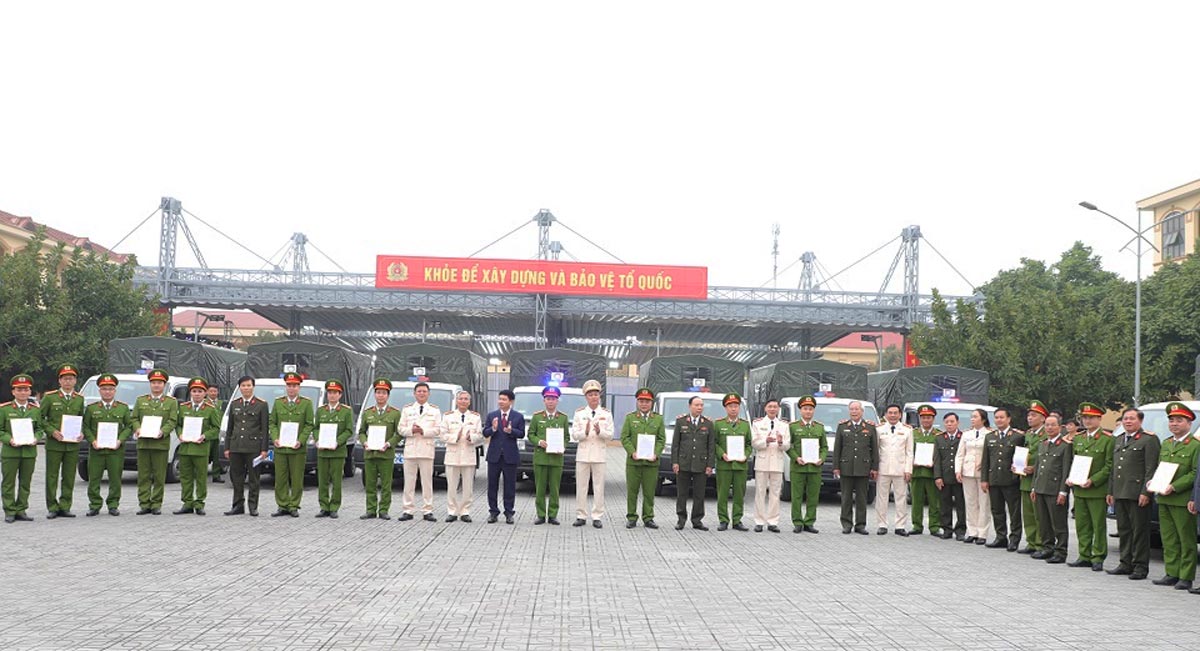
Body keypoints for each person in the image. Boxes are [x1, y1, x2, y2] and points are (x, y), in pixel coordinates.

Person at [1106, 408, 1159, 580]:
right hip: (1120, 492)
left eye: (1132, 419)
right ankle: (1125, 562)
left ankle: (1140, 566)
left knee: (1139, 531)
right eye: (1125, 419)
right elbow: (1115, 468)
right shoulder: (1120, 439)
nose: (1128, 421)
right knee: (1124, 530)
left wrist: (1146, 492)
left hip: (1137, 493)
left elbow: (1151, 469)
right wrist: (1111, 491)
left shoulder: (1149, 440)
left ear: (1140, 421)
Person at [1157, 403, 1199, 591]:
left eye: (1179, 421)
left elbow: (1195, 473)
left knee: (1186, 539)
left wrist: (1174, 486)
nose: (1174, 424)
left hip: (1182, 499)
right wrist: (1154, 482)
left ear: (1189, 424)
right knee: (1168, 538)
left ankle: (1186, 576)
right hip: (1164, 498)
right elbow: (1161, 468)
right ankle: (1171, 572)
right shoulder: (1166, 443)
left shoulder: (1195, 446)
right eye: (1171, 420)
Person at [1067, 402, 1113, 571]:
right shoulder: (1078, 438)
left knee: (1098, 525)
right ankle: (1084, 554)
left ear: (1099, 419)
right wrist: (1072, 478)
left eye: (1091, 418)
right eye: (1084, 418)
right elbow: (1075, 462)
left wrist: (1093, 480)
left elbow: (1109, 466)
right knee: (1082, 524)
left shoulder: (1108, 439)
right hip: (1079, 489)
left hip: (1096, 489)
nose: (1087, 421)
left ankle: (1098, 556)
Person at [130, 369, 179, 516]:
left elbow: (172, 421)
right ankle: (144, 504)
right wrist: (137, 428)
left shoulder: (171, 402)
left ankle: (156, 504)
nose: (156, 385)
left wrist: (162, 431)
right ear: (150, 384)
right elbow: (134, 418)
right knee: (143, 475)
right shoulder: (141, 400)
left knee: (159, 476)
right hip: (144, 443)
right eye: (154, 383)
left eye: (159, 383)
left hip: (160, 444)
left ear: (164, 385)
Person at [39, 364, 85, 518]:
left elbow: (83, 420)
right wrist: (52, 431)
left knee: (69, 475)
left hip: (72, 445)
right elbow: (40, 418)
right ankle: (52, 506)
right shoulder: (50, 397)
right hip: (55, 444)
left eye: (71, 379)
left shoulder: (79, 399)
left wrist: (82, 433)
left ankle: (65, 505)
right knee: (52, 476)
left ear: (75, 381)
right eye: (65, 379)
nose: (68, 382)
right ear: (59, 381)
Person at [83, 374, 131, 517]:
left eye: (110, 389)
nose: (107, 392)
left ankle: (113, 504)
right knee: (94, 479)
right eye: (104, 389)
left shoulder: (123, 408)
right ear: (99, 391)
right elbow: (86, 427)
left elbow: (128, 427)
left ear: (115, 391)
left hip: (115, 450)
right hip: (97, 449)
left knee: (115, 478)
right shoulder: (92, 409)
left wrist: (120, 440)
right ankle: (94, 505)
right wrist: (92, 440)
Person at [269, 372, 314, 517]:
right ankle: (282, 505)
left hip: (297, 448)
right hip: (281, 447)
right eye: (289, 385)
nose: (291, 388)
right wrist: (275, 438)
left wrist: (300, 440)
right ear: (285, 387)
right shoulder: (278, 402)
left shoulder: (306, 403)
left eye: (294, 386)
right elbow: (272, 423)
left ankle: (294, 505)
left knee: (296, 478)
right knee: (280, 478)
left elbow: (309, 424)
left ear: (299, 387)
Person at [173, 378, 219, 515]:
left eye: (200, 391)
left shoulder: (210, 410)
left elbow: (216, 428)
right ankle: (187, 503)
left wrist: (205, 436)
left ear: (205, 393)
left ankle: (199, 503)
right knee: (185, 477)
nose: (197, 394)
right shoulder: (183, 407)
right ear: (190, 392)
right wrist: (180, 434)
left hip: (201, 449)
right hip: (186, 448)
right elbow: (178, 424)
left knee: (200, 477)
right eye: (194, 391)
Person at [1, 374, 44, 522]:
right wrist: (9, 440)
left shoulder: (35, 410)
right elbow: (0, 430)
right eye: (19, 390)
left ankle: (21, 509)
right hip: (10, 452)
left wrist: (36, 439)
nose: (22, 392)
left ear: (29, 392)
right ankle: (10, 510)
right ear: (13, 392)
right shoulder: (4, 409)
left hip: (28, 452)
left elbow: (39, 429)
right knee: (8, 482)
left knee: (25, 482)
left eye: (25, 390)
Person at [981, 407, 1025, 551]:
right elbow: (985, 460)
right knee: (997, 510)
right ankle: (1001, 537)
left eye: (1001, 417)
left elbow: (1021, 458)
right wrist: (984, 479)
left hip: (1010, 480)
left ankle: (1014, 539)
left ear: (1008, 419)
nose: (999, 420)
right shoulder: (990, 436)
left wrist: (1017, 475)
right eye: (996, 418)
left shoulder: (1017, 437)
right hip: (994, 479)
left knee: (1014, 511)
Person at [570, 380, 613, 528]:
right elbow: (575, 435)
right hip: (583, 454)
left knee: (598, 486)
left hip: (599, 454)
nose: (593, 397)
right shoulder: (579, 413)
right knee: (581, 486)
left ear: (599, 396)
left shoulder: (606, 414)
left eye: (596, 394)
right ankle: (581, 515)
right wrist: (585, 431)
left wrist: (600, 432)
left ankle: (597, 516)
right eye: (590, 395)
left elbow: (611, 435)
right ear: (586, 397)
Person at [1030, 414, 1072, 564]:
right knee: (1044, 521)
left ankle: (1061, 551)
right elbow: (1038, 468)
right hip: (1041, 487)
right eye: (1047, 425)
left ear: (1060, 427)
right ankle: (1047, 548)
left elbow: (1065, 470)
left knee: (1058, 522)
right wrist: (1034, 487)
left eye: (1053, 425)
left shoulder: (1065, 446)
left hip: (1055, 490)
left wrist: (1063, 491)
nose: (1049, 428)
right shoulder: (1043, 443)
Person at [224, 376, 269, 516]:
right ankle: (237, 505)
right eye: (243, 386)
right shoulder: (234, 404)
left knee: (254, 478)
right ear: (239, 388)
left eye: (249, 385)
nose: (246, 388)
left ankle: (253, 506)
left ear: (253, 387)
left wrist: (264, 449)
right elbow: (230, 428)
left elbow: (264, 428)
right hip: (236, 446)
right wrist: (227, 447)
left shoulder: (261, 404)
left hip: (253, 447)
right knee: (236, 477)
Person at [621, 387, 664, 529]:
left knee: (649, 492)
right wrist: (632, 452)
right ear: (637, 402)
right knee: (632, 491)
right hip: (634, 462)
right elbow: (625, 437)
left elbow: (661, 439)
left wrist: (656, 453)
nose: (644, 404)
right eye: (641, 401)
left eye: (647, 401)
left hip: (651, 463)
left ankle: (648, 517)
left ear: (651, 403)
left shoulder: (658, 419)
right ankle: (632, 517)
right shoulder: (630, 418)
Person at [358, 379, 401, 520]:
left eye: (383, 393)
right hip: (370, 453)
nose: (380, 396)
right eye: (378, 393)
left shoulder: (394, 413)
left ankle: (383, 510)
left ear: (388, 395)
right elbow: (362, 431)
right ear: (374, 395)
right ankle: (370, 509)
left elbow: (399, 433)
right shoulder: (367, 413)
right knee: (370, 484)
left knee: (386, 484)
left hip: (386, 454)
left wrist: (389, 443)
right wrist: (364, 442)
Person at [832, 400, 877, 535]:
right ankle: (846, 524)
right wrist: (836, 467)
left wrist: (874, 468)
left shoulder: (869, 427)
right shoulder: (842, 426)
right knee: (846, 498)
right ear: (849, 411)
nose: (854, 412)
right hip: (846, 467)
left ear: (862, 411)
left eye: (857, 409)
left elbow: (874, 449)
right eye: (852, 409)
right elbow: (837, 449)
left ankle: (860, 525)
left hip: (863, 467)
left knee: (862, 498)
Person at [399, 382, 441, 522]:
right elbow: (400, 429)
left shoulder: (434, 410)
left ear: (428, 394)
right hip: (411, 449)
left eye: (424, 391)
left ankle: (427, 510)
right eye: (419, 391)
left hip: (426, 449)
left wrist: (424, 431)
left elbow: (438, 429)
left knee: (427, 482)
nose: (421, 393)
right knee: (409, 482)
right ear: (414, 393)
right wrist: (412, 430)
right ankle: (408, 510)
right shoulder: (407, 409)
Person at [529, 386, 570, 525]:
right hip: (541, 458)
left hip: (556, 458)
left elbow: (566, 437)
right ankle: (540, 514)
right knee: (540, 488)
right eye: (548, 399)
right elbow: (531, 435)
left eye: (553, 399)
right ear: (544, 400)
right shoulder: (537, 417)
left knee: (555, 488)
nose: (550, 401)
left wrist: (563, 446)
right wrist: (539, 442)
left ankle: (553, 515)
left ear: (557, 401)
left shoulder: (563, 418)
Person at [672, 395, 715, 531]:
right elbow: (675, 444)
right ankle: (681, 519)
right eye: (696, 405)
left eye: (701, 405)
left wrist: (710, 465)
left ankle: (697, 520)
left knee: (699, 494)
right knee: (682, 493)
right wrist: (675, 462)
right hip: (684, 462)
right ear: (690, 406)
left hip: (700, 464)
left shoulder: (708, 423)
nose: (699, 407)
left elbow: (711, 446)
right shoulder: (681, 421)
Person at [441, 390, 483, 523]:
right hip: (453, 455)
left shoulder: (475, 417)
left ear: (469, 402)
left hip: (468, 455)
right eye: (461, 399)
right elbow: (442, 435)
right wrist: (455, 437)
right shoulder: (448, 416)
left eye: (466, 399)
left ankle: (465, 511)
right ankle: (452, 511)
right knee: (452, 486)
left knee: (468, 486)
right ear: (457, 401)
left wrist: (473, 438)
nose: (463, 401)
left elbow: (480, 436)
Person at [314, 379, 354, 518]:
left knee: (336, 481)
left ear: (340, 395)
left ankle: (334, 506)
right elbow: (316, 428)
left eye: (335, 393)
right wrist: (317, 439)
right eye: (330, 392)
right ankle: (324, 506)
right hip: (323, 451)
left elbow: (349, 430)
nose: (332, 395)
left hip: (337, 451)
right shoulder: (320, 411)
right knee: (322, 480)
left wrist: (338, 441)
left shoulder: (346, 411)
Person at [483, 389, 525, 524]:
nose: (501, 401)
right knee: (492, 485)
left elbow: (522, 433)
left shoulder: (518, 416)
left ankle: (509, 512)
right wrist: (494, 429)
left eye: (504, 399)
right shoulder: (492, 415)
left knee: (509, 485)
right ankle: (493, 512)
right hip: (494, 456)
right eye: (499, 399)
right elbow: (485, 432)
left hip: (510, 456)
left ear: (511, 401)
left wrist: (511, 431)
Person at [750, 395, 790, 533]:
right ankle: (759, 521)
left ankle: (773, 521)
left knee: (775, 493)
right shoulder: (757, 423)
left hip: (777, 462)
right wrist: (765, 441)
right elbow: (754, 443)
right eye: (770, 407)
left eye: (775, 407)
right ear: (765, 408)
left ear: (779, 409)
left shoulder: (784, 425)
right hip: (762, 461)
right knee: (760, 492)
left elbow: (787, 445)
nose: (772, 409)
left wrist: (780, 442)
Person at [787, 395, 826, 534]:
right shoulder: (792, 427)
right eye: (805, 409)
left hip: (815, 468)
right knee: (796, 496)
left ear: (813, 411)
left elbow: (824, 447)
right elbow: (788, 446)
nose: (808, 411)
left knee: (813, 496)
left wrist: (822, 458)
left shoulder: (819, 428)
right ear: (800, 410)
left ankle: (809, 521)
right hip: (798, 467)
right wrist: (796, 458)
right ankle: (797, 522)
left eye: (810, 409)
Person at [714, 394, 753, 531]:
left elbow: (749, 444)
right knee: (722, 493)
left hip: (740, 465)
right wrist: (722, 454)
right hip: (724, 465)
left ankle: (737, 520)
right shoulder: (718, 424)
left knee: (739, 494)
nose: (733, 409)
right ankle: (723, 520)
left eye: (736, 406)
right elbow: (714, 443)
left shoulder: (745, 425)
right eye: (730, 406)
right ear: (726, 408)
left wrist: (746, 455)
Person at [874, 404, 913, 536]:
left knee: (901, 498)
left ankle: (900, 525)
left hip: (900, 469)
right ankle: (882, 524)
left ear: (900, 415)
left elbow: (909, 452)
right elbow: (876, 451)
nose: (892, 415)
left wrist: (908, 470)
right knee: (881, 498)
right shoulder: (879, 429)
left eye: (895, 413)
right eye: (890, 413)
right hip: (883, 468)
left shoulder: (907, 430)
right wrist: (875, 469)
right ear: (885, 415)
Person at [955, 408, 991, 545]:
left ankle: (982, 533)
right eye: (972, 417)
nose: (972, 419)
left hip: (982, 472)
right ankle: (972, 531)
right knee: (970, 502)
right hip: (967, 470)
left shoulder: (989, 434)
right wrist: (958, 470)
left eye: (975, 417)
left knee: (984, 503)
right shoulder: (966, 434)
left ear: (983, 419)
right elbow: (960, 454)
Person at [1017, 400, 1048, 554]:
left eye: (1034, 415)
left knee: (1038, 514)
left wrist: (1034, 468)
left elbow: (1046, 458)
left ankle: (1040, 543)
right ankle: (1031, 542)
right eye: (1029, 415)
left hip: (1038, 478)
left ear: (1043, 418)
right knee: (1028, 514)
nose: (1030, 418)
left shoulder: (1046, 433)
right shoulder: (1028, 434)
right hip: (1025, 478)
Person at [909, 404, 941, 536]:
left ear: (933, 419)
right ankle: (917, 525)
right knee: (916, 501)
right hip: (916, 473)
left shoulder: (939, 435)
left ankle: (934, 526)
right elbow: (908, 451)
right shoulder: (913, 433)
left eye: (929, 417)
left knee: (935, 502)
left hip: (932, 473)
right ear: (919, 419)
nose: (926, 420)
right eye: (923, 418)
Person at [934, 413, 966, 540]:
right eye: (947, 422)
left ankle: (960, 530)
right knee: (945, 504)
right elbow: (937, 459)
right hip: (944, 477)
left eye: (952, 421)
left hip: (959, 477)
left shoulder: (963, 437)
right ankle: (946, 529)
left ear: (957, 423)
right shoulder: (939, 438)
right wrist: (937, 477)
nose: (949, 424)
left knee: (961, 505)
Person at [206, 385, 225, 483]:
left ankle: (216, 475)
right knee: (205, 455)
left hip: (219, 434)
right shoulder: (204, 403)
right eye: (211, 391)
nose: (213, 393)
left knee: (217, 456)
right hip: (209, 434)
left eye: (215, 391)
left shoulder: (222, 403)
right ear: (207, 392)